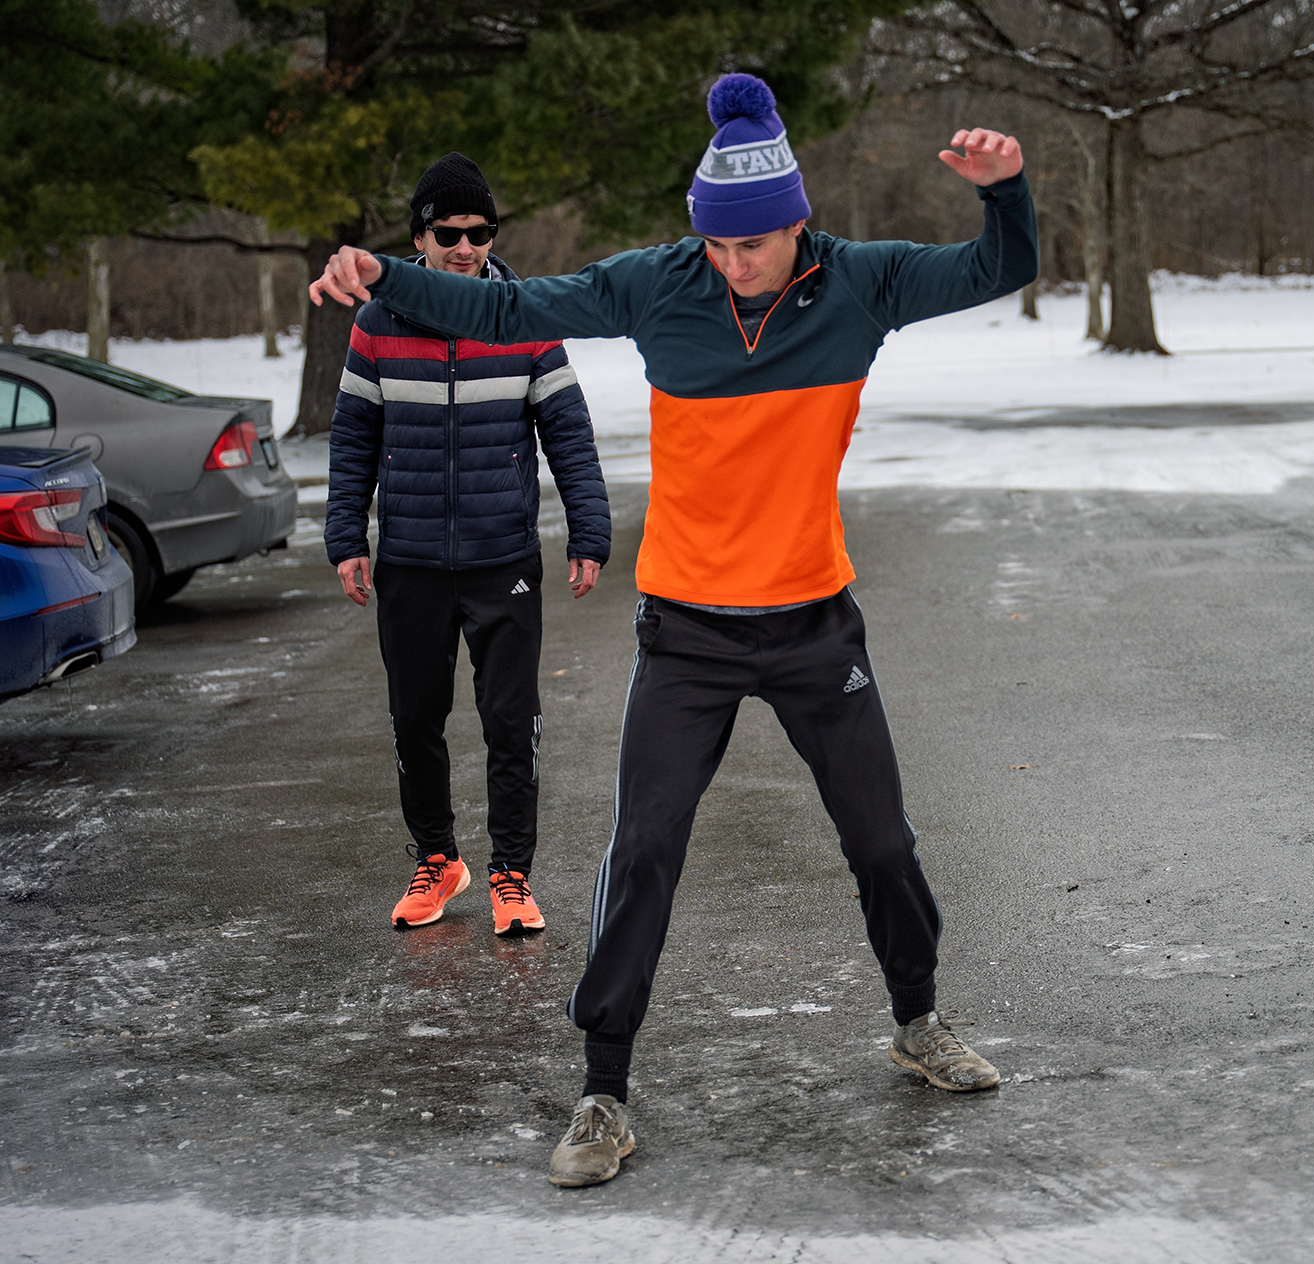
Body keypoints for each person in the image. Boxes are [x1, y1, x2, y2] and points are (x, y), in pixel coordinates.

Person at [310, 75, 1037, 1189]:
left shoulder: (863, 285)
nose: (730, 262)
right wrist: (384, 273)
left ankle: (916, 1017)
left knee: (882, 839)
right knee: (643, 851)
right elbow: (511, 309)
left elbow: (1001, 265)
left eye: (750, 244)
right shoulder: (663, 285)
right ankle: (603, 1086)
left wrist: (1007, 193)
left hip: (812, 625)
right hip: (687, 630)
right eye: (715, 242)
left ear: (796, 222)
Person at [324, 152, 611, 939]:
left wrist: (589, 530)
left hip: (502, 560)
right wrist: (346, 536)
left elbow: (568, 433)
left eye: (480, 232)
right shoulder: (376, 325)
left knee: (510, 723)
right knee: (415, 718)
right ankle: (437, 860)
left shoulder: (523, 316)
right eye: (449, 232)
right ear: (419, 237)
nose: (465, 246)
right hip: (411, 563)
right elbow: (353, 437)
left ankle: (511, 876)